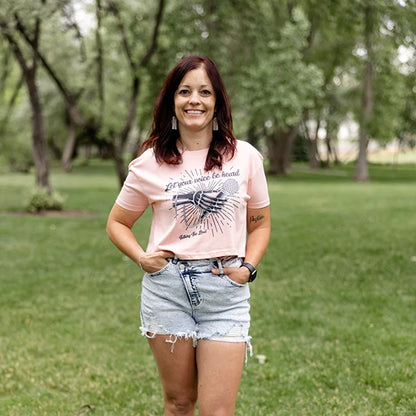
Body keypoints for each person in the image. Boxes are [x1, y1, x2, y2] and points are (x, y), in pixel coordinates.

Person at [106, 55, 270, 416]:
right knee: (179, 403)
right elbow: (117, 223)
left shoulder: (244, 157)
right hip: (167, 292)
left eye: (204, 92)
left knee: (217, 411)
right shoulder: (149, 162)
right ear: (172, 102)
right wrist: (142, 257)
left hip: (225, 292)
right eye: (184, 91)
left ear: (217, 102)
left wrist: (248, 268)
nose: (194, 100)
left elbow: (260, 223)